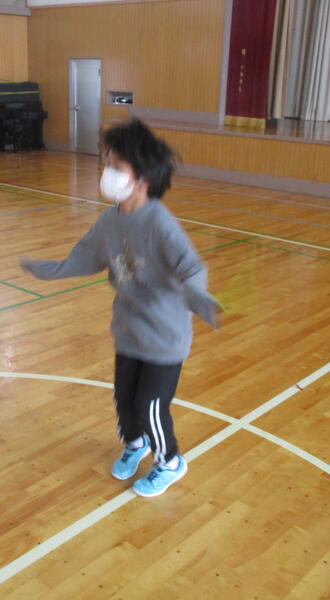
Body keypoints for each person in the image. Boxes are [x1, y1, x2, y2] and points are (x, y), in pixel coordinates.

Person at [21, 119, 219, 497]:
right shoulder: (110, 221)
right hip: (129, 330)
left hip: (165, 337)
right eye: (107, 163)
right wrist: (50, 270)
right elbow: (86, 256)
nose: (107, 172)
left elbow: (191, 267)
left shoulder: (159, 223)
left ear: (141, 178)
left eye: (116, 166)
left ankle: (170, 461)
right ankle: (135, 443)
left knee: (150, 405)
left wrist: (197, 296)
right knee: (125, 401)